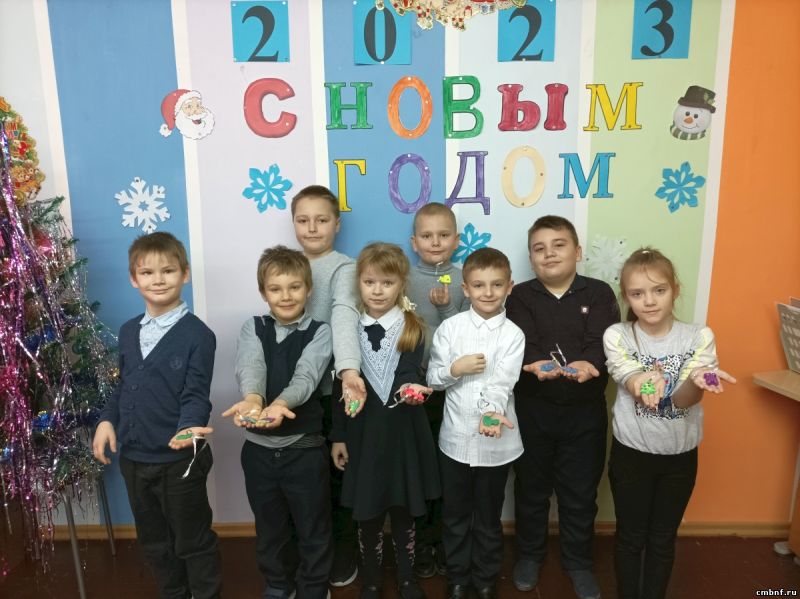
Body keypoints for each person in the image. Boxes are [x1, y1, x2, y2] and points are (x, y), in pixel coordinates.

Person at [238, 184, 365, 587]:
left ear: (336, 224)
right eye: (303, 220)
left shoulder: (344, 267)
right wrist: (257, 397)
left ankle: (335, 561)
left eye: (321, 220)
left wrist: (348, 370)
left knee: (331, 485)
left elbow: (343, 314)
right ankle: (288, 571)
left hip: (329, 390)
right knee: (288, 498)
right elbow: (254, 362)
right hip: (282, 392)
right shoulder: (283, 269)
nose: (312, 228)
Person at [92, 231, 221, 599]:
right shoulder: (128, 331)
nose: (158, 280)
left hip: (178, 462)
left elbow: (196, 394)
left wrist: (189, 427)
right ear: (134, 279)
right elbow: (121, 386)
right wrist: (106, 420)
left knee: (192, 541)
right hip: (135, 461)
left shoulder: (198, 335)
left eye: (168, 271)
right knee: (155, 543)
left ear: (185, 274)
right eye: (147, 272)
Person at [603, 248, 735, 599]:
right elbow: (630, 378)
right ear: (626, 296)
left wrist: (697, 382)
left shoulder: (698, 336)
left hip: (680, 458)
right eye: (637, 293)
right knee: (630, 537)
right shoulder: (618, 335)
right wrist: (646, 383)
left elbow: (682, 400)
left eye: (658, 290)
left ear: (675, 289)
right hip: (632, 456)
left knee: (663, 539)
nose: (648, 301)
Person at [505, 215, 619, 599]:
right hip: (532, 410)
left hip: (585, 413)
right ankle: (529, 555)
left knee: (580, 494)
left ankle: (578, 562)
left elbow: (603, 341)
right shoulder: (520, 297)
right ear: (530, 258)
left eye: (558, 245)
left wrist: (590, 363)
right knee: (530, 490)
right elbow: (522, 342)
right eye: (539, 248)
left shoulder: (599, 293)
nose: (549, 254)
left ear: (577, 251)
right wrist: (537, 364)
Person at [330, 243, 440, 599]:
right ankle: (372, 581)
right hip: (363, 434)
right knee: (368, 514)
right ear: (358, 284)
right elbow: (339, 389)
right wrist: (339, 436)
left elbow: (410, 373)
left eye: (387, 283)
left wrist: (412, 389)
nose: (377, 290)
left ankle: (407, 578)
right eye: (369, 282)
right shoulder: (347, 330)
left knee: (405, 510)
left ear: (401, 284)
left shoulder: (412, 327)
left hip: (403, 433)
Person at [224, 245, 333, 599]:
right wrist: (254, 400)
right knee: (270, 529)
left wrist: (282, 404)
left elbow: (307, 375)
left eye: (294, 287)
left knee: (313, 526)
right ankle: (278, 584)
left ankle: (314, 587)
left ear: (308, 289)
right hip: (258, 453)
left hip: (304, 451)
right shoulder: (253, 328)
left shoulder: (320, 331)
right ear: (263, 293)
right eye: (275, 289)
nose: (286, 296)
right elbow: (251, 366)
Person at [427, 247, 525, 599]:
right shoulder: (450, 329)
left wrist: (490, 412)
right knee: (455, 515)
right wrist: (456, 369)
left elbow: (503, 382)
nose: (488, 292)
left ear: (509, 287)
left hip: (496, 446)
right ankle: (457, 577)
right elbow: (433, 379)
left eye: (497, 285)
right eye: (479, 285)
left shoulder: (513, 335)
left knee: (488, 516)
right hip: (454, 442)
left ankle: (485, 579)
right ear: (465, 289)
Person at [406, 202, 470, 578]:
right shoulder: (403, 279)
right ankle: (421, 542)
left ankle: (446, 541)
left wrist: (446, 310)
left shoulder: (464, 280)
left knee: (449, 471)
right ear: (414, 242)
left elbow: (467, 337)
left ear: (456, 240)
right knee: (419, 469)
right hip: (415, 391)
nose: (435, 242)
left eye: (443, 235)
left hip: (454, 392)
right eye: (427, 236)